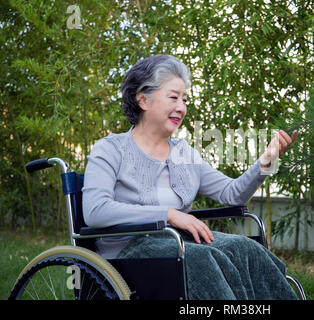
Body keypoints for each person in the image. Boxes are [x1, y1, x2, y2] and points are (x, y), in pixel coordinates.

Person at [82, 54, 299, 299]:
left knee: (245, 248)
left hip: (179, 243)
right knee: (202, 259)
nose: (181, 107)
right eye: (173, 97)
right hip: (127, 255)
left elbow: (232, 194)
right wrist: (169, 215)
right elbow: (95, 210)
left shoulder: (185, 154)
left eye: (185, 99)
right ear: (142, 99)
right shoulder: (110, 149)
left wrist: (265, 163)